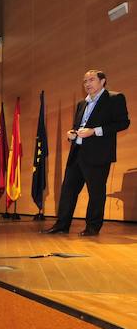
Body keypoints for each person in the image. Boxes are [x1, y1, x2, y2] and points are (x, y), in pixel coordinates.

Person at [42, 70, 130, 236]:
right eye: (85, 81)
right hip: (77, 153)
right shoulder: (82, 104)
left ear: (102, 81)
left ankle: (92, 227)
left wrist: (94, 131)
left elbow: (123, 123)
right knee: (68, 190)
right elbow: (79, 126)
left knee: (96, 192)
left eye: (91, 80)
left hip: (98, 154)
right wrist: (72, 134)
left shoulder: (114, 98)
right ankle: (62, 225)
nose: (87, 84)